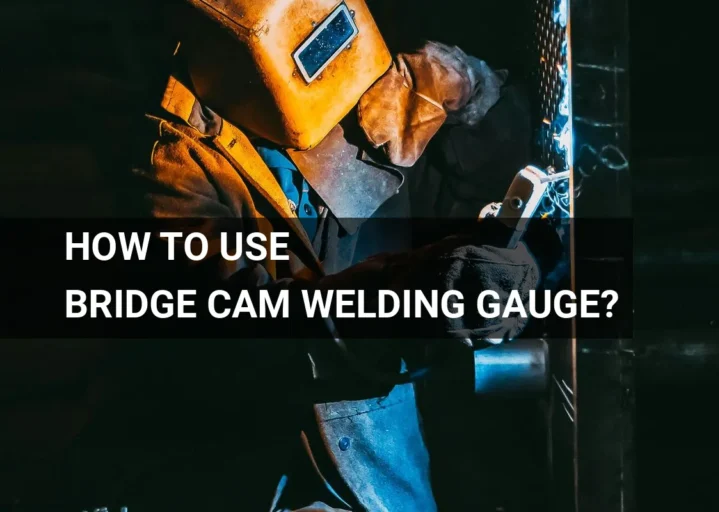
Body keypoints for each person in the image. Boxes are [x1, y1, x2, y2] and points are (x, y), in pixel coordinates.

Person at [121, 1, 541, 510]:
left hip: (385, 449)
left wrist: (477, 103)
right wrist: (406, 292)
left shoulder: (355, 68)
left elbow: (454, 199)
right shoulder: (173, 169)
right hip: (269, 467)